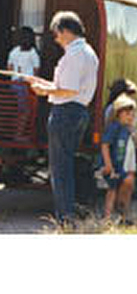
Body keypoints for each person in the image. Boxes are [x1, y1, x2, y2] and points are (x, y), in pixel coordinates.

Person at [26, 11, 99, 225]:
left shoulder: (75, 55)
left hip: (66, 112)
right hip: (77, 112)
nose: (55, 39)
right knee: (65, 165)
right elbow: (66, 87)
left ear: (66, 32)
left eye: (56, 34)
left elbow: (67, 90)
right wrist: (43, 84)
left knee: (60, 168)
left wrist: (43, 91)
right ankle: (67, 213)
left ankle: (65, 218)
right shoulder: (87, 52)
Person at [100, 94, 136, 224]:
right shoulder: (113, 127)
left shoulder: (127, 129)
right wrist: (108, 165)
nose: (130, 117)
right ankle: (107, 218)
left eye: (132, 115)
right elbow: (105, 145)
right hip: (113, 165)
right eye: (127, 114)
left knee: (126, 186)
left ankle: (123, 216)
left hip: (122, 166)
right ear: (118, 113)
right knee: (112, 190)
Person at [7, 26, 40, 139]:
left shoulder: (14, 51)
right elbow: (36, 70)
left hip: (15, 82)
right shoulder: (33, 53)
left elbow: (9, 68)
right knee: (26, 110)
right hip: (26, 84)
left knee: (19, 110)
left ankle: (16, 133)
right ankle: (19, 134)